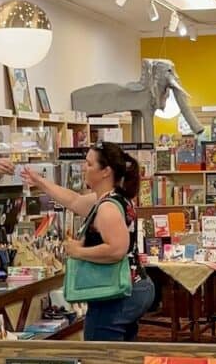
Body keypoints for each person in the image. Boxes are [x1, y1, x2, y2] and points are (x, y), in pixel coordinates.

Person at [22, 142, 154, 341]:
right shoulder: (111, 198)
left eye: (89, 164)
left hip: (118, 292)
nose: (84, 168)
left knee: (99, 358)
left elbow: (116, 250)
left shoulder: (107, 207)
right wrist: (40, 182)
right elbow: (73, 201)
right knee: (122, 356)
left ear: (105, 172)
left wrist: (78, 252)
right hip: (130, 287)